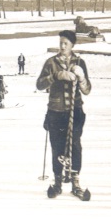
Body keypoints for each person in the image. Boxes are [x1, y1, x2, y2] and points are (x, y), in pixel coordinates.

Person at [36, 31, 92, 198]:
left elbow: (87, 90)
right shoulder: (51, 63)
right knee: (57, 147)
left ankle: (75, 181)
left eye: (66, 43)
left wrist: (81, 77)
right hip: (55, 111)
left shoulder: (80, 62)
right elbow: (39, 84)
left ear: (72, 45)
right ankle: (58, 181)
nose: (62, 46)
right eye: (61, 42)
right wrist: (56, 76)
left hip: (75, 111)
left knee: (75, 145)